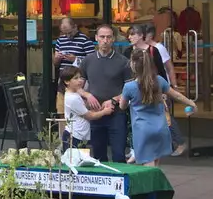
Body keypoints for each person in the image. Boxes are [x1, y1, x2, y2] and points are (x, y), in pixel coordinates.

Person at [128, 22, 196, 155]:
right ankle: (140, 147)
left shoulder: (155, 49)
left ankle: (177, 142)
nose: (130, 37)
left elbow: (164, 69)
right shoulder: (129, 51)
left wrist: (169, 87)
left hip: (154, 87)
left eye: (133, 34)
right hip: (138, 88)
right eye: (129, 35)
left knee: (164, 116)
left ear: (144, 35)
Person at [78, 24, 131, 163]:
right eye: (102, 37)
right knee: (98, 155)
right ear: (96, 38)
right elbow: (77, 87)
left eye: (108, 37)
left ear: (113, 39)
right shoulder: (87, 61)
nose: (105, 40)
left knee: (119, 154)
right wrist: (87, 95)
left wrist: (114, 100)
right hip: (96, 113)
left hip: (117, 113)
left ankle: (122, 182)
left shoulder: (123, 62)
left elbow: (130, 88)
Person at [122, 46, 175, 167]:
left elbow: (122, 106)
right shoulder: (159, 81)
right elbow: (176, 95)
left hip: (142, 129)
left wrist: (127, 101)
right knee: (156, 162)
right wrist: (191, 103)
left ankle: (151, 186)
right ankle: (157, 186)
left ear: (133, 65)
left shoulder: (129, 87)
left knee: (148, 163)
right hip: (161, 127)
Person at [59, 65, 113, 152]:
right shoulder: (73, 98)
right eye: (75, 78)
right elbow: (90, 116)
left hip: (78, 135)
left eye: (80, 77)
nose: (80, 80)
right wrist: (105, 112)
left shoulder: (74, 93)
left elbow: (85, 111)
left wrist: (99, 109)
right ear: (67, 81)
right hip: (74, 136)